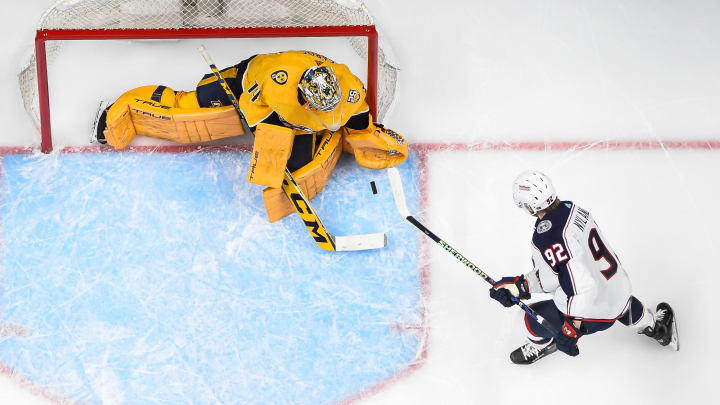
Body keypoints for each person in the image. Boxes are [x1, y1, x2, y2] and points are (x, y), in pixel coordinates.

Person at [93, 50, 407, 222]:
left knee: (298, 173)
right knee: (187, 115)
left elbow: (357, 117)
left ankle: (325, 147)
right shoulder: (277, 83)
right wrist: (272, 147)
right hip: (246, 83)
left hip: (291, 118)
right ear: (302, 95)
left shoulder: (348, 87)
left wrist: (364, 136)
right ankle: (123, 110)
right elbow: (258, 116)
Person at [489, 170, 679, 364]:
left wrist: (571, 328)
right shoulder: (571, 209)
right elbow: (562, 270)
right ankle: (657, 328)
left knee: (527, 319)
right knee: (617, 298)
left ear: (529, 206)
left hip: (591, 312)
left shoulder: (547, 236)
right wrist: (520, 286)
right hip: (618, 289)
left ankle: (540, 346)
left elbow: (579, 285)